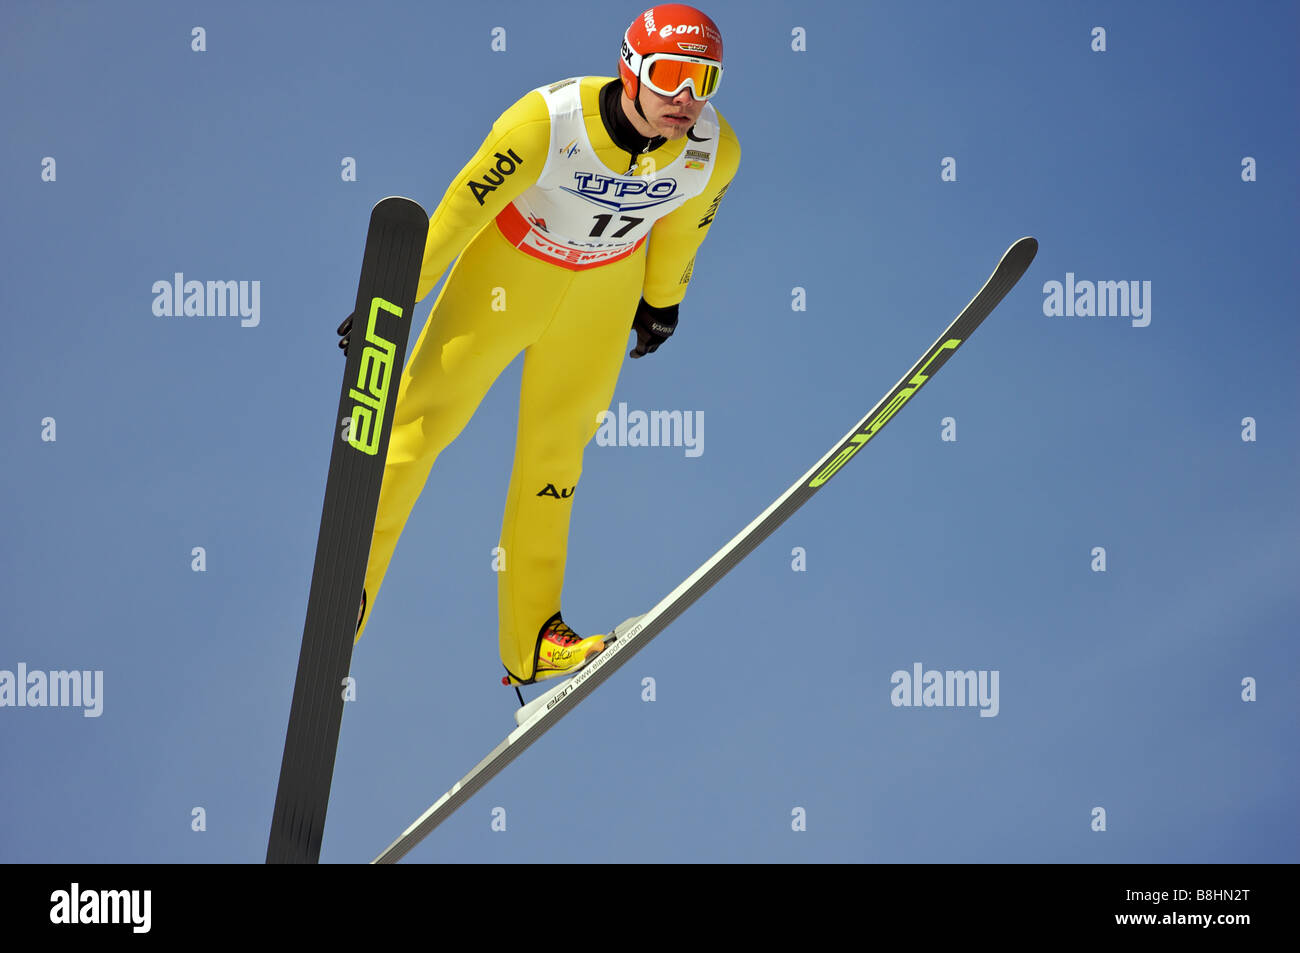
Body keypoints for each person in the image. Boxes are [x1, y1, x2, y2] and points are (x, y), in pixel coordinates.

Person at [341, 3, 740, 686]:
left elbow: (683, 230)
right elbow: (462, 209)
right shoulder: (546, 123)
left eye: (703, 80)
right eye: (671, 74)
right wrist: (401, 293)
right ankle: (351, 591)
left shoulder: (711, 151)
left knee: (557, 455)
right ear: (631, 68)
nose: (685, 98)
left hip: (601, 293)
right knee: (418, 424)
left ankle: (534, 636)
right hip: (509, 272)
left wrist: (662, 301)